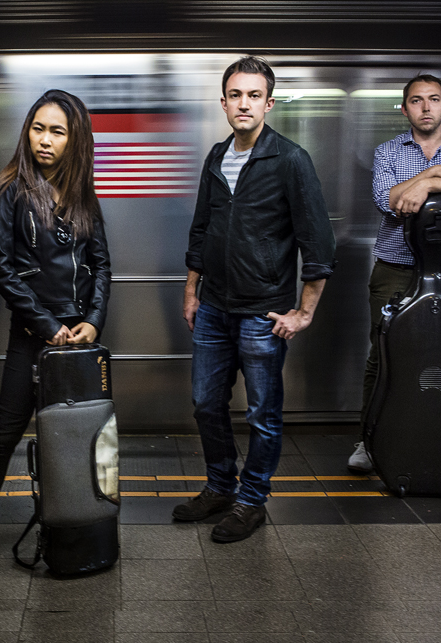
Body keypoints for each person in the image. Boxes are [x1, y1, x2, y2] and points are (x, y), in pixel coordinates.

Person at [176, 56, 336, 543]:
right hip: (214, 308)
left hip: (262, 311)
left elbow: (318, 242)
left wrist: (303, 311)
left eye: (253, 95)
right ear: (223, 102)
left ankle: (252, 500)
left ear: (268, 103)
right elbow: (201, 229)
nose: (243, 104)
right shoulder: (215, 157)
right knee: (206, 404)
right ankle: (221, 487)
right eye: (235, 95)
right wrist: (191, 289)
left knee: (262, 414)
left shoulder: (290, 159)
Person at [0, 90, 111, 583]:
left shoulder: (84, 194)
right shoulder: (9, 191)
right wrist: (47, 326)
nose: (44, 139)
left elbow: (103, 264)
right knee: (2, 437)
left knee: (81, 437)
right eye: (38, 128)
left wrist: (94, 320)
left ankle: (78, 531)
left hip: (81, 344)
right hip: (33, 338)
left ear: (74, 140)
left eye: (57, 131)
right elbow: (0, 269)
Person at [347, 74, 441, 473]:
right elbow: (386, 200)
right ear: (404, 107)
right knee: (384, 355)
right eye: (416, 100)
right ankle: (370, 441)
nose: (426, 107)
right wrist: (439, 173)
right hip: (394, 269)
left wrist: (416, 187)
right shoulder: (387, 150)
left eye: (434, 99)